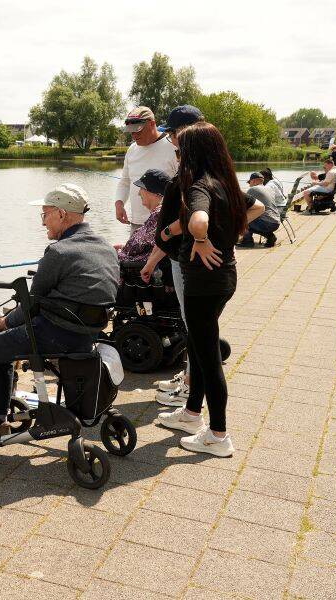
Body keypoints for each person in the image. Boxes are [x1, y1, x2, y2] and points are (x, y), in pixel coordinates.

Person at [0, 184, 118, 449]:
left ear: (61, 214)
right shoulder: (106, 248)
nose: (43, 222)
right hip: (84, 337)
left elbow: (31, 304)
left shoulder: (58, 252)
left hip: (54, 336)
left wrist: (5, 321)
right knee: (0, 349)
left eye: (45, 215)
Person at [155, 121, 265, 457]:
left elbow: (198, 219)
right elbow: (257, 207)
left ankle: (218, 436)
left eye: (179, 149)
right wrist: (230, 231)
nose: (176, 153)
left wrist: (201, 237)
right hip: (223, 277)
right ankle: (191, 415)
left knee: (209, 359)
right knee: (198, 347)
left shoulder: (198, 184)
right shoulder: (225, 181)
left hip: (204, 282)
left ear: (192, 152)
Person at [134, 106, 206, 407]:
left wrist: (194, 235)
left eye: (173, 134)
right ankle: (190, 379)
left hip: (187, 258)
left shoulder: (195, 169)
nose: (171, 140)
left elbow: (194, 214)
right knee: (195, 326)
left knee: (195, 326)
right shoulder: (204, 163)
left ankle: (191, 395)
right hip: (182, 256)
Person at [115, 106, 178, 232]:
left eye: (138, 131)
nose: (134, 135)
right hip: (136, 223)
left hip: (164, 224)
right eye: (131, 131)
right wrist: (119, 203)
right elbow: (125, 181)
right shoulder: (132, 149)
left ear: (151, 124)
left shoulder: (173, 146)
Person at [115, 169, 170, 263]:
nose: (139, 193)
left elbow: (135, 248)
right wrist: (123, 247)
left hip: (134, 268)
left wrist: (116, 251)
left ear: (155, 192)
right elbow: (142, 246)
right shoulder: (164, 211)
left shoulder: (158, 215)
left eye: (142, 188)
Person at [237, 172, 280, 247]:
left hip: (266, 223)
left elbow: (244, 207)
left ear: (253, 181)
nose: (249, 185)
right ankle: (270, 237)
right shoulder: (269, 188)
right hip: (276, 222)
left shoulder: (253, 189)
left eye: (249, 182)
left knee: (243, 217)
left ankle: (247, 241)